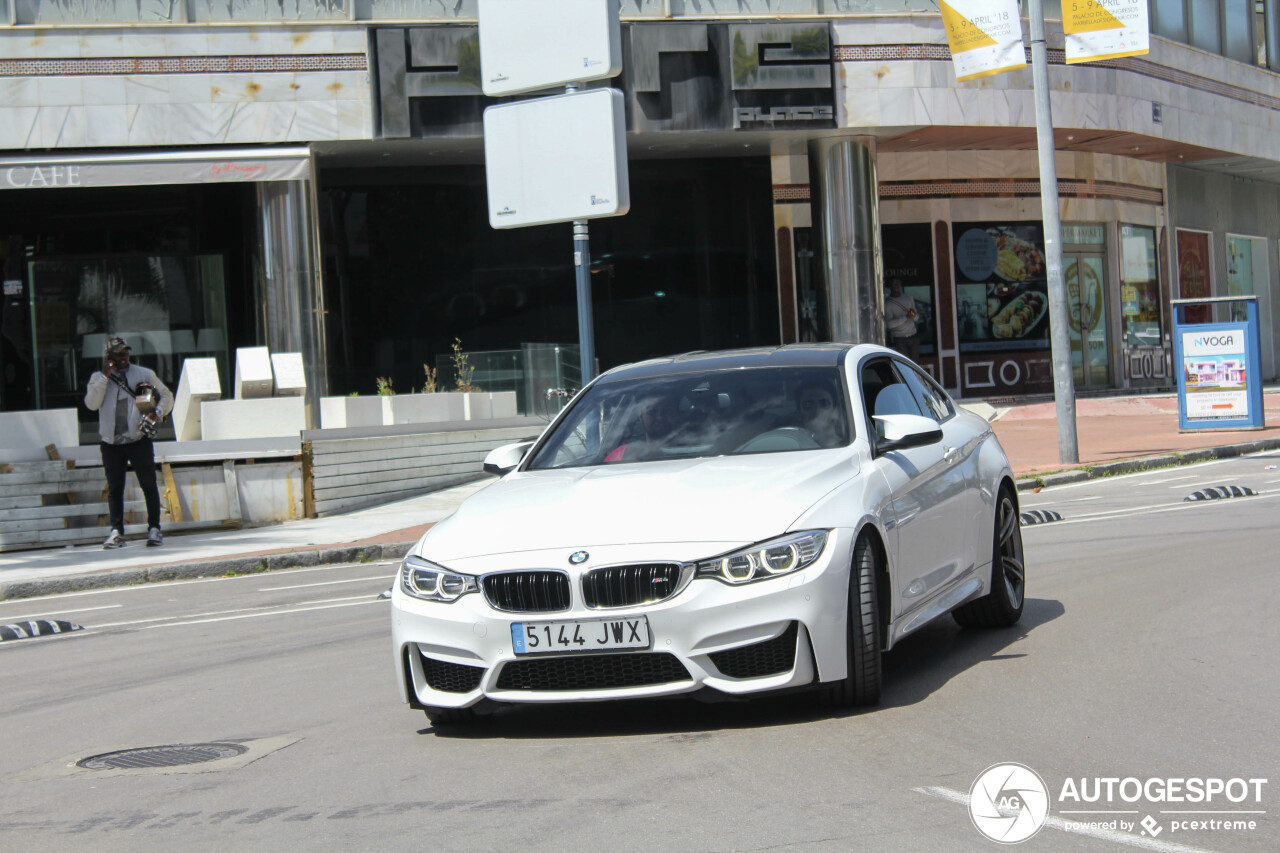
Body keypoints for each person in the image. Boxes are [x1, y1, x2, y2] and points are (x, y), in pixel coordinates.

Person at [84, 337, 174, 549]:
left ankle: (154, 528)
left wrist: (157, 413)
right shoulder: (97, 378)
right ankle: (117, 532)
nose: (123, 357)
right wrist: (105, 378)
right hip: (111, 443)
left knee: (148, 485)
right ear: (108, 357)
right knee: (115, 488)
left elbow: (167, 396)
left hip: (138, 440)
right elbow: (91, 404)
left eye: (125, 353)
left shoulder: (144, 374)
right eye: (118, 354)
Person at [605, 393, 678, 462]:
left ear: (676, 415)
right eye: (652, 411)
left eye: (668, 411)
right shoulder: (621, 454)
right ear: (640, 415)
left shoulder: (687, 452)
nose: (660, 417)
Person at [797, 381, 846, 448]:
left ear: (835, 411)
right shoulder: (792, 447)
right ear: (799, 413)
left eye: (824, 403)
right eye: (808, 405)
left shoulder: (849, 446)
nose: (817, 410)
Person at [883, 278, 921, 361]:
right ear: (890, 286)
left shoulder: (908, 298)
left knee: (915, 363)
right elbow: (889, 325)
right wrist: (906, 317)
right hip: (900, 338)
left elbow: (917, 318)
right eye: (894, 284)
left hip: (913, 335)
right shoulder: (888, 304)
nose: (896, 286)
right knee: (905, 363)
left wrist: (913, 315)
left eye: (898, 284)